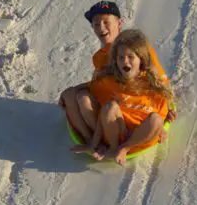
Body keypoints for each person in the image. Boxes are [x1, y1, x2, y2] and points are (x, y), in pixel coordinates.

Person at [59, 0, 167, 144]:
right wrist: (75, 90)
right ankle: (91, 141)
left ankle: (106, 139)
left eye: (106, 22)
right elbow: (100, 82)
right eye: (96, 24)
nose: (101, 28)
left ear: (119, 24)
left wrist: (166, 112)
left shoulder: (136, 46)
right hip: (112, 102)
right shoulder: (99, 57)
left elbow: (157, 77)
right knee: (74, 95)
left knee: (83, 97)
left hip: (134, 105)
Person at [75, 28, 177, 165]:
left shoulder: (152, 84)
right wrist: (94, 142)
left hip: (140, 137)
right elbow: (100, 111)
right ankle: (113, 147)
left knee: (156, 119)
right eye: (121, 57)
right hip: (117, 131)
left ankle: (124, 148)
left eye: (130, 57)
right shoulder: (109, 82)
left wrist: (162, 129)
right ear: (115, 61)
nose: (125, 61)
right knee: (110, 106)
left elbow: (161, 120)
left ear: (141, 59)